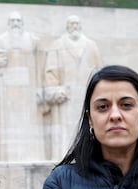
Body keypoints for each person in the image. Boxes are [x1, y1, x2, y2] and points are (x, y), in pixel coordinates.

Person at [43, 15, 103, 160]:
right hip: (66, 95)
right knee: (64, 132)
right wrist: (55, 90)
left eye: (77, 23)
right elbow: (50, 71)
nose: (74, 26)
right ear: (67, 26)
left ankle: (89, 157)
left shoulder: (91, 45)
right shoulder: (57, 45)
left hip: (87, 95)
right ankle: (64, 158)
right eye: (71, 24)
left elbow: (99, 70)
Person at [0, 11, 45, 161]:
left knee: (29, 123)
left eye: (18, 20)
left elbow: (40, 66)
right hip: (5, 90)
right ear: (8, 24)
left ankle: (31, 155)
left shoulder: (33, 41)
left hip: (29, 89)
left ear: (22, 23)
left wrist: (40, 88)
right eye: (12, 20)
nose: (15, 23)